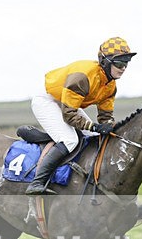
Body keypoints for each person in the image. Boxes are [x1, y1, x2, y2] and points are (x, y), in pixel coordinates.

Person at [25, 36, 135, 195]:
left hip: (67, 102)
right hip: (48, 101)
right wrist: (95, 126)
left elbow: (105, 117)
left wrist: (110, 127)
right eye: (119, 63)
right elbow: (69, 115)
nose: (123, 67)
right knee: (70, 140)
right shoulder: (83, 77)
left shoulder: (110, 86)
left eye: (126, 63)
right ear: (104, 61)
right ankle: (37, 182)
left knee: (95, 136)